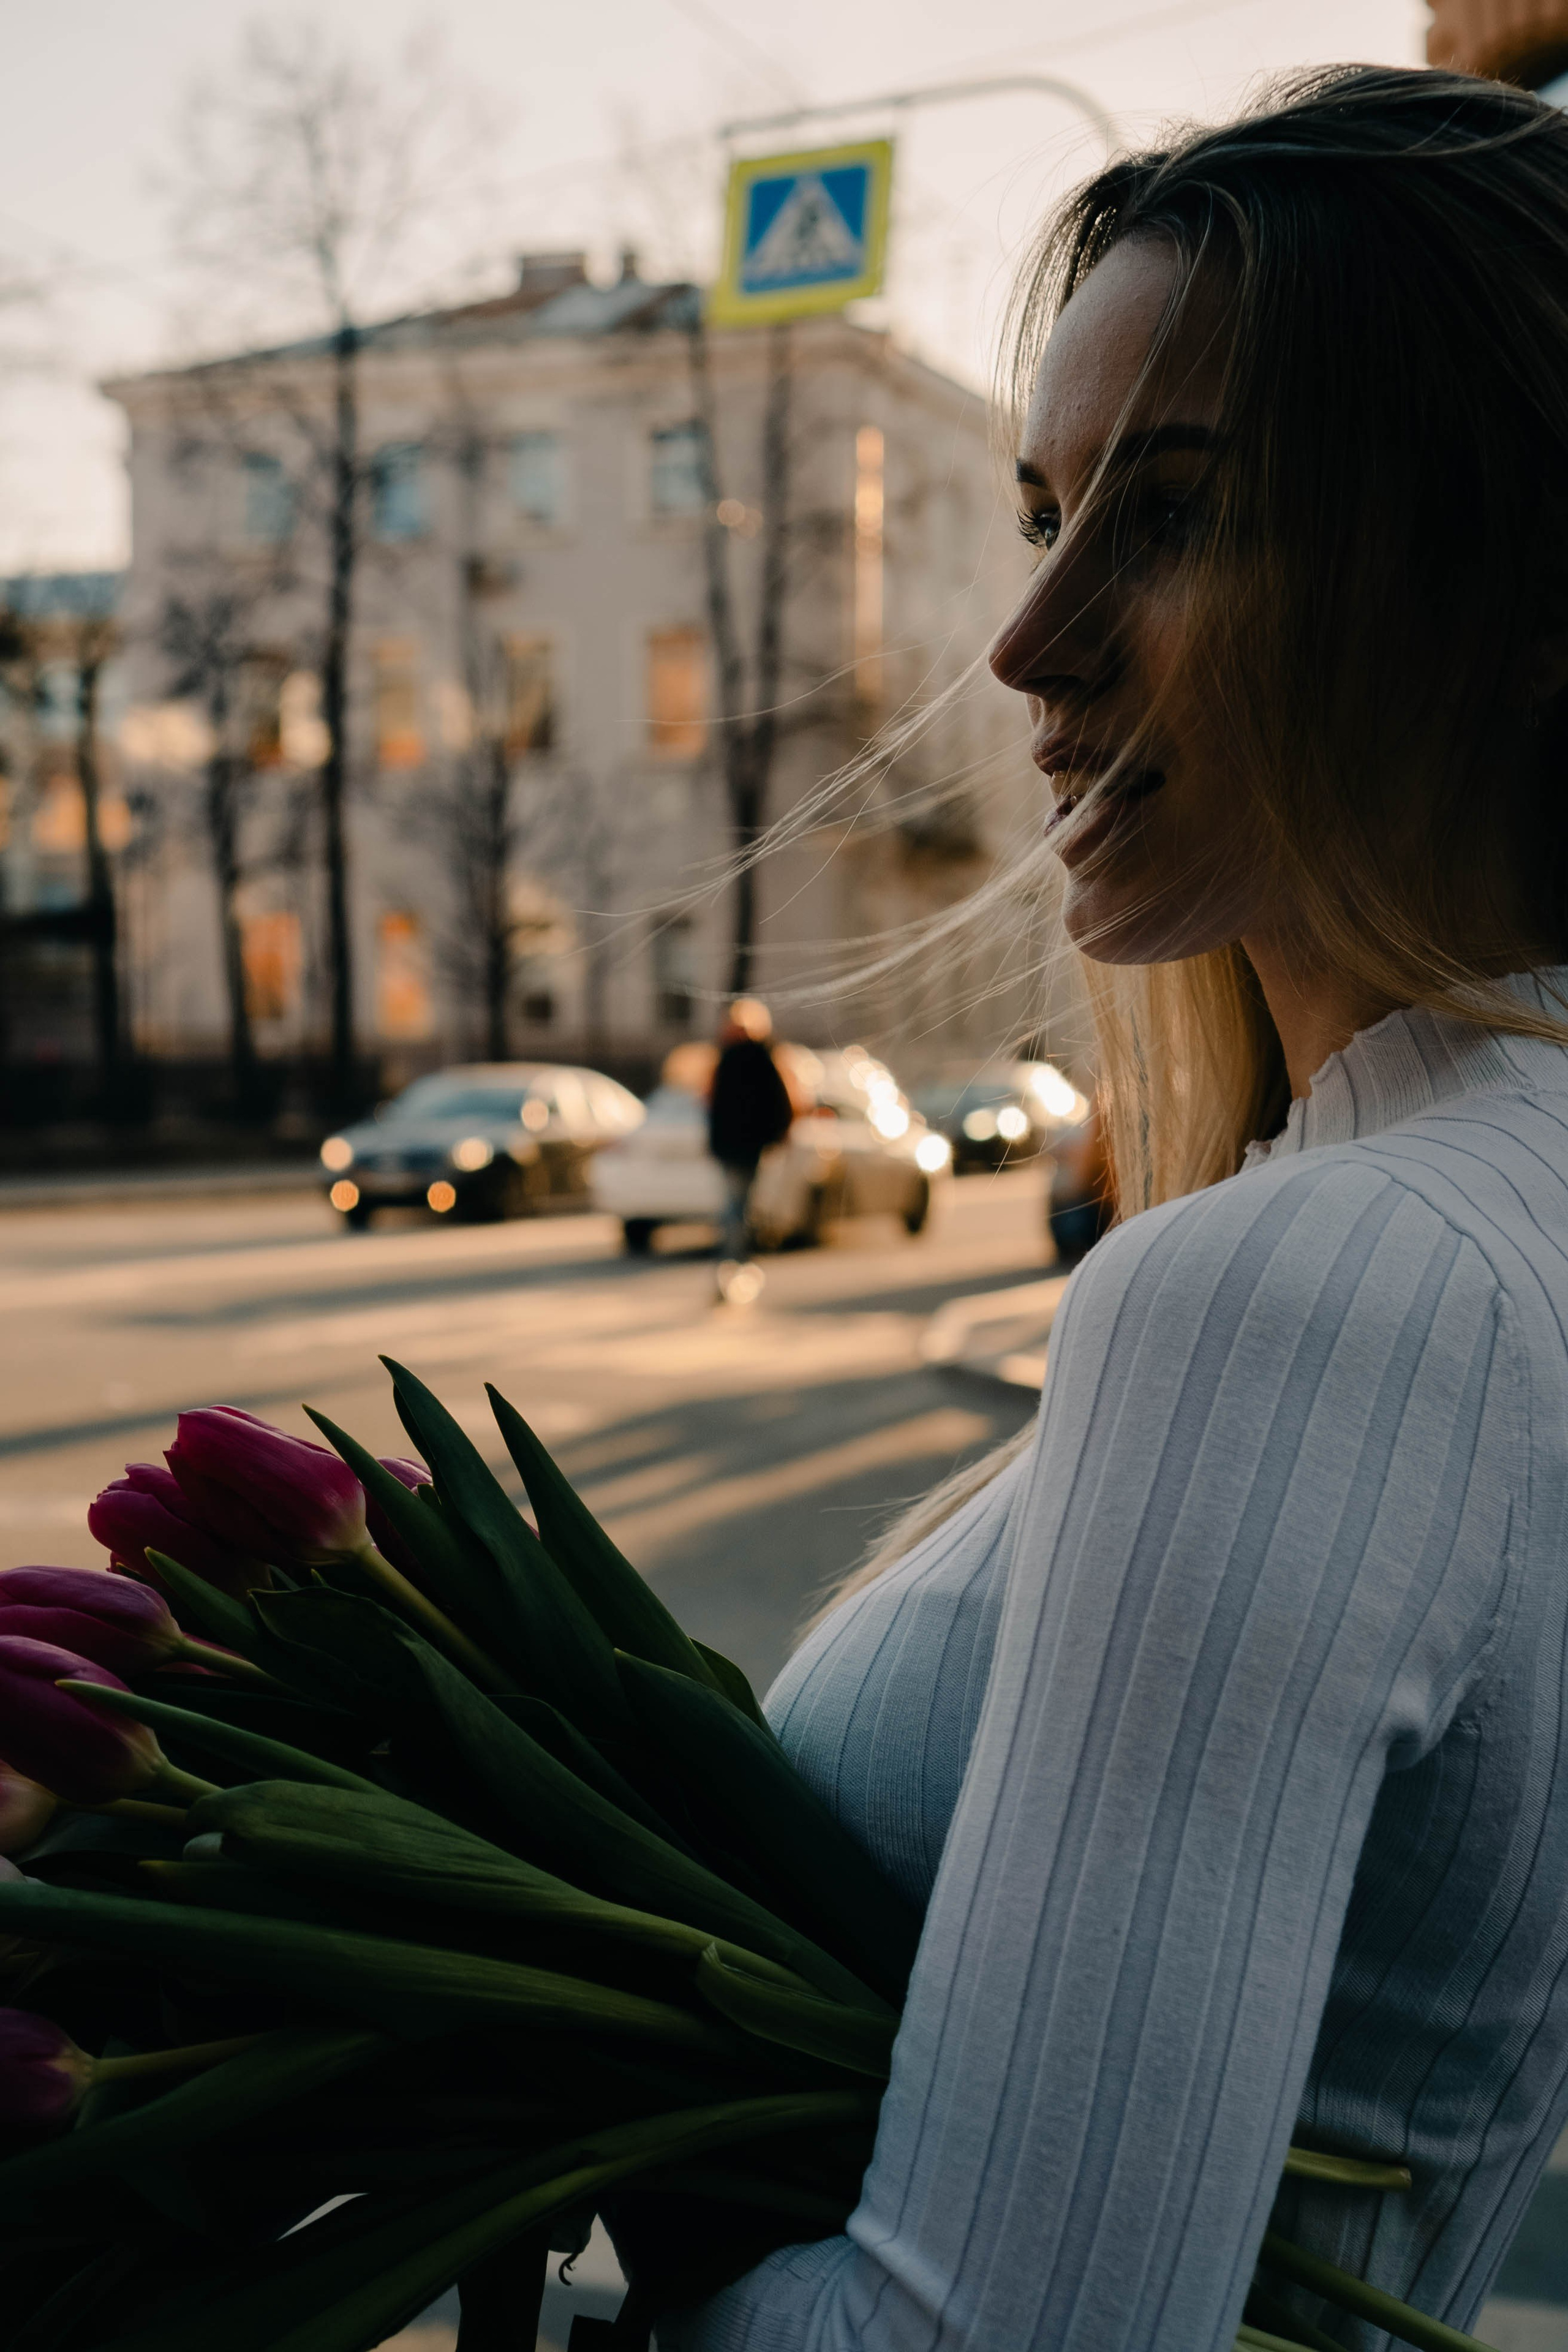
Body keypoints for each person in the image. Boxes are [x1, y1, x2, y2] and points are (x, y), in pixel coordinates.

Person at [654, 67, 1568, 2352]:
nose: (1026, 644)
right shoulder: (1476, 1206)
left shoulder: (1300, 1289)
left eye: (1164, 519)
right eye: (1042, 511)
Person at [706, 997, 794, 1297]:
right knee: (739, 1207)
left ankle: (733, 1264)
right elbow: (782, 1102)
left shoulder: (728, 1059)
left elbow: (712, 1105)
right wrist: (778, 1135)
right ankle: (736, 1264)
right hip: (748, 1145)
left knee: (736, 1207)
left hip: (737, 1146)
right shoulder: (761, 1057)